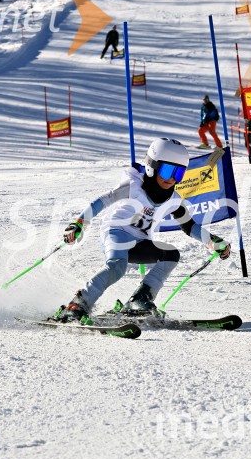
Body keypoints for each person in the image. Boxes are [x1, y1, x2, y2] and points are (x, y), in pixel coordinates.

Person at [55, 138, 231, 324]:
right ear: (151, 166)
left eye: (178, 173)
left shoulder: (173, 199)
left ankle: (139, 301)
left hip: (140, 242)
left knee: (171, 255)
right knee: (117, 267)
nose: (172, 178)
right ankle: (77, 305)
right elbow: (102, 201)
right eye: (167, 170)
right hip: (116, 231)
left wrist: (212, 240)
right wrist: (80, 222)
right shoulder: (133, 186)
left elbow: (189, 226)